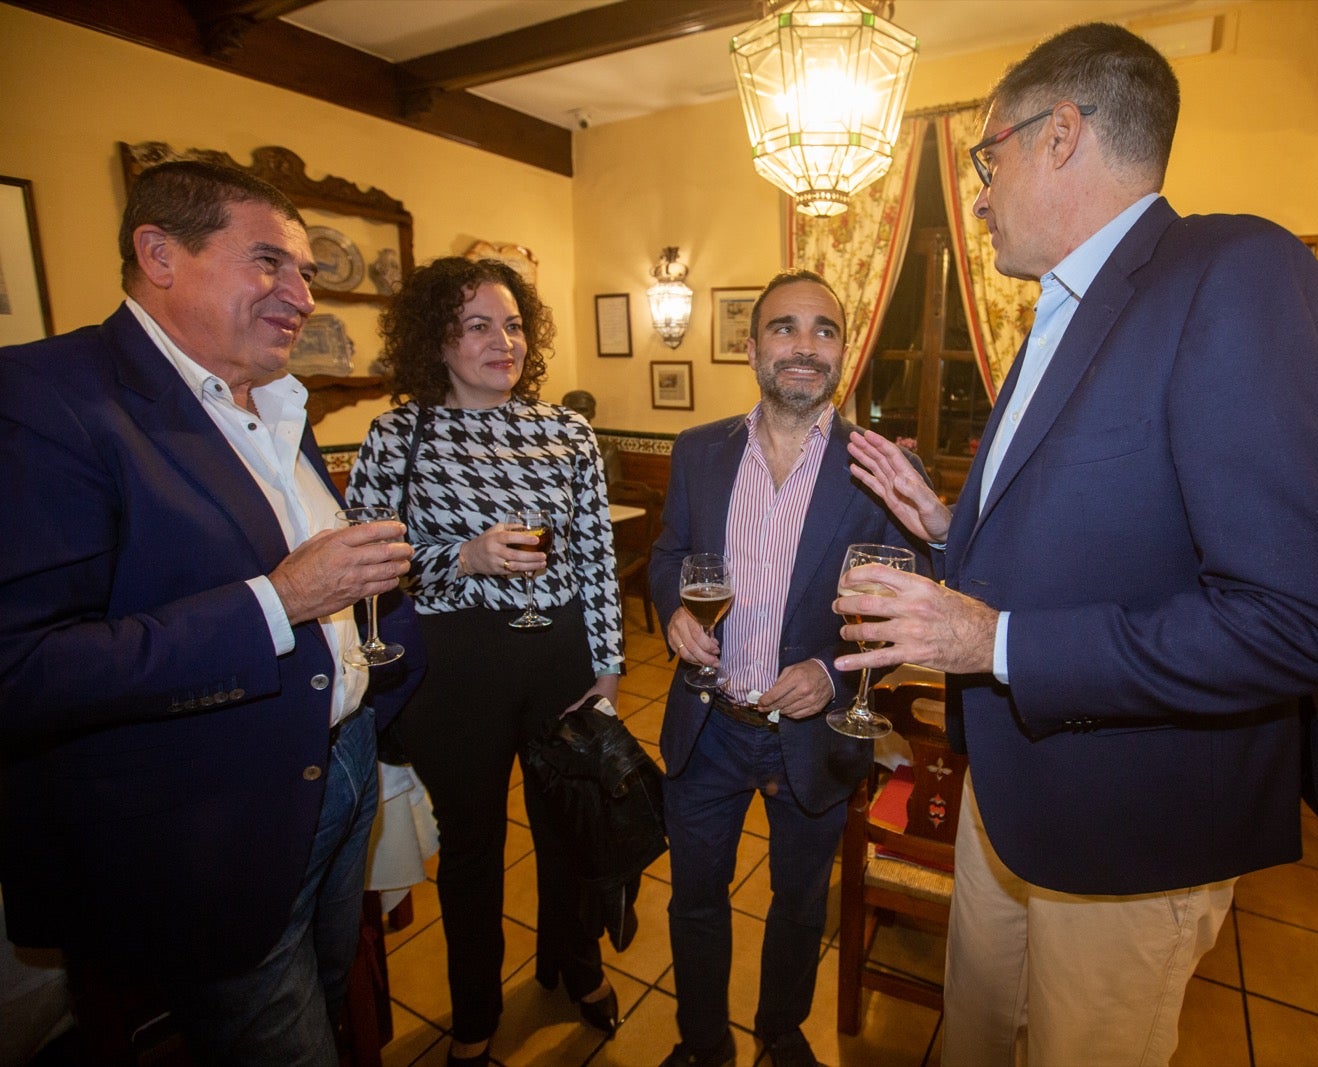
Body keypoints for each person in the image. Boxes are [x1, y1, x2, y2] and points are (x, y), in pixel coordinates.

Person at [837, 23, 1318, 1066]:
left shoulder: (1234, 272)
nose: (982, 190)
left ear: (1059, 136)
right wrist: (951, 527)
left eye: (984, 158)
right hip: (1006, 796)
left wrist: (995, 643)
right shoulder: (1056, 314)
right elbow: (1104, 531)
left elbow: (1309, 622)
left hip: (1130, 824)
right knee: (974, 1041)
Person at [0, 159, 425, 1065]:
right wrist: (281, 600)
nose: (300, 294)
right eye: (269, 262)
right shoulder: (46, 398)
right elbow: (23, 669)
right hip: (212, 824)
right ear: (158, 253)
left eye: (307, 271)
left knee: (335, 994)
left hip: (341, 766)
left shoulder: (276, 402)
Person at [344, 256, 623, 1065]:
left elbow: (598, 555)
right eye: (476, 324)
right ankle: (473, 1013)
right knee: (472, 846)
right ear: (438, 339)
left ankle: (578, 966)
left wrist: (606, 661)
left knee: (566, 831)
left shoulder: (566, 431)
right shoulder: (399, 434)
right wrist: (460, 558)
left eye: (511, 324)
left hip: (560, 650)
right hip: (456, 667)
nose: (502, 340)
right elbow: (366, 569)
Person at [648, 269, 926, 1067]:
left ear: (843, 351)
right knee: (697, 898)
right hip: (707, 725)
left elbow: (902, 608)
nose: (804, 347)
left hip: (813, 736)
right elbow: (670, 551)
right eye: (784, 328)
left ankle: (779, 1030)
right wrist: (672, 608)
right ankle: (703, 1043)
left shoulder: (875, 467)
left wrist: (834, 677)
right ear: (751, 346)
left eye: (824, 330)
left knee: (800, 901)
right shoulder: (699, 450)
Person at [561, 388, 623, 485]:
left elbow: (615, 489)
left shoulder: (606, 449)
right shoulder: (553, 446)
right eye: (571, 410)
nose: (577, 415)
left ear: (592, 413)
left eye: (583, 410)